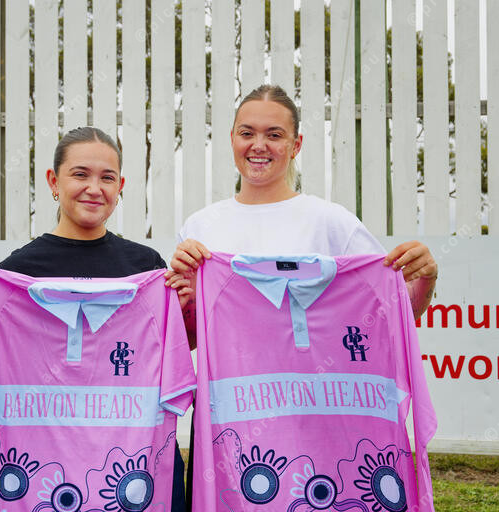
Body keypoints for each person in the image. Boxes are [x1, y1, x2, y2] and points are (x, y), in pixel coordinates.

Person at [163, 84, 438, 509]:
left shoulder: (332, 223)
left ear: (296, 145)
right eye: (247, 133)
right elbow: (192, 339)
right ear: (232, 139)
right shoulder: (201, 228)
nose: (259, 145)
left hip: (321, 419)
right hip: (232, 422)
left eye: (274, 134)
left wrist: (425, 280)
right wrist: (184, 296)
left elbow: (390, 317)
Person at [0, 126, 190, 512]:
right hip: (46, 460)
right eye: (80, 174)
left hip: (135, 462)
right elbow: (0, 368)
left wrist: (184, 305)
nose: (94, 188)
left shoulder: (148, 268)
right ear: (53, 182)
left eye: (107, 178)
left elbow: (172, 356)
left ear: (120, 186)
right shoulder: (18, 271)